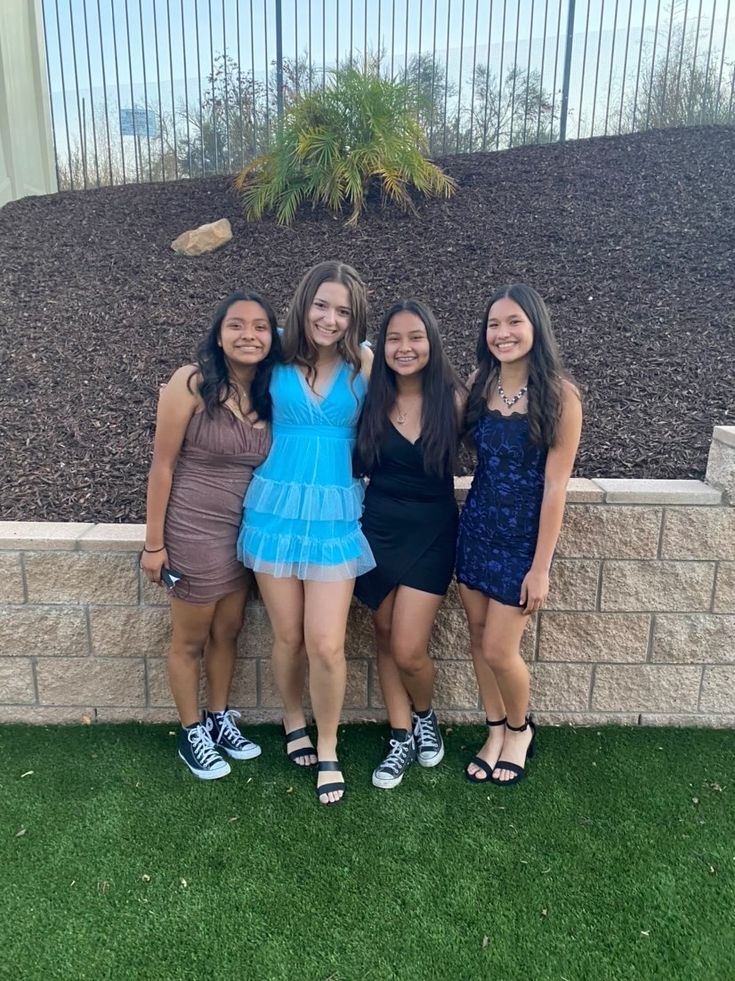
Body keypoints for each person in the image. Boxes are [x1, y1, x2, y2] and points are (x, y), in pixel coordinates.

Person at [237, 261, 374, 805]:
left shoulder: (364, 362)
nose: (330, 318)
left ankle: (329, 745)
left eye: (342, 310)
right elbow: (220, 375)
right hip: (274, 507)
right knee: (288, 637)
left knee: (326, 642)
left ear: (354, 317)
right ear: (304, 303)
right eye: (322, 305)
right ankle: (292, 719)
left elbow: (418, 391)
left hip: (336, 514)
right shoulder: (271, 351)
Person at [141, 291, 281, 780]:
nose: (249, 335)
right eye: (237, 326)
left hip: (242, 534)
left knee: (228, 631)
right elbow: (162, 465)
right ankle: (191, 731)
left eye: (260, 327)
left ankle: (220, 719)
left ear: (272, 336)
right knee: (189, 640)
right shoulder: (192, 383)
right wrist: (154, 543)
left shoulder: (270, 392)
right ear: (219, 336)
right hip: (191, 530)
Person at [456, 284, 582, 786]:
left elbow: (556, 487)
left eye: (513, 323)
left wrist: (540, 567)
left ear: (535, 327)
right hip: (476, 531)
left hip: (520, 544)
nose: (503, 333)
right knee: (476, 640)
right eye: (494, 325)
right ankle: (493, 730)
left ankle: (519, 728)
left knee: (498, 651)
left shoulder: (560, 396)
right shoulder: (478, 384)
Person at [353, 300, 464, 789]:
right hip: (377, 529)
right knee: (382, 631)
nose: (405, 347)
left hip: (433, 532)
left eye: (415, 337)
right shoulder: (369, 397)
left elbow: (510, 435)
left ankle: (424, 714)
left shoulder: (454, 399)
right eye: (394, 338)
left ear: (431, 342)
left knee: (407, 648)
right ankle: (400, 735)